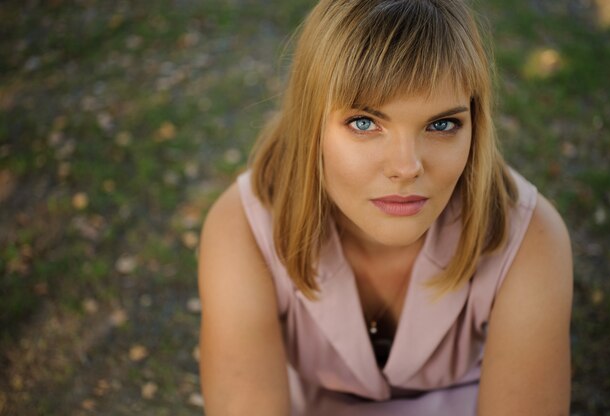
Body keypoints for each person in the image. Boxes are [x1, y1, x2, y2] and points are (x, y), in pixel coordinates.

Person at [197, 0, 573, 414]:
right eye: (364, 123)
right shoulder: (244, 229)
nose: (406, 167)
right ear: (310, 123)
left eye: (441, 124)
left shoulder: (530, 239)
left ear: (475, 126)